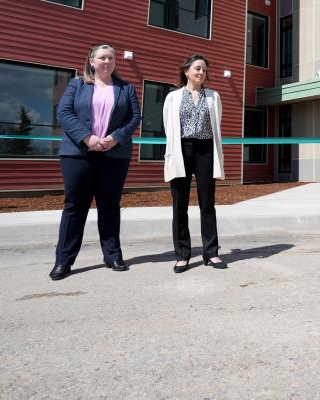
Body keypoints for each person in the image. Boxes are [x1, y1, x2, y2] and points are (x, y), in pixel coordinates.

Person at [50, 44, 141, 281]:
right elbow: (65, 113)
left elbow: (134, 118)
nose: (107, 61)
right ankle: (64, 261)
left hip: (114, 155)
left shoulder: (126, 88)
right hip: (78, 154)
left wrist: (115, 138)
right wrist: (87, 137)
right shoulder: (76, 84)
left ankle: (112, 255)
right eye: (102, 57)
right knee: (75, 207)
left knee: (110, 205)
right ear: (91, 61)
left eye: (111, 58)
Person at [162, 54, 226, 273]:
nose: (201, 73)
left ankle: (211, 252)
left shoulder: (213, 96)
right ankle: (182, 255)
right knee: (179, 204)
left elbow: (217, 124)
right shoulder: (173, 97)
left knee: (207, 203)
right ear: (186, 70)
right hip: (182, 149)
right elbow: (168, 128)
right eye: (197, 68)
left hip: (205, 150)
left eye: (204, 70)